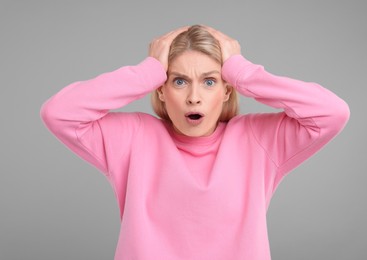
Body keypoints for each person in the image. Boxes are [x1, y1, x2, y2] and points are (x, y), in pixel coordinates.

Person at [40, 25, 350, 260]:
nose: (194, 96)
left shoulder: (256, 140)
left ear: (226, 91)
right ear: (161, 89)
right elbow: (59, 113)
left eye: (210, 81)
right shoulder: (134, 138)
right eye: (179, 81)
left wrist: (244, 72)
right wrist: (145, 73)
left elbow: (332, 113)